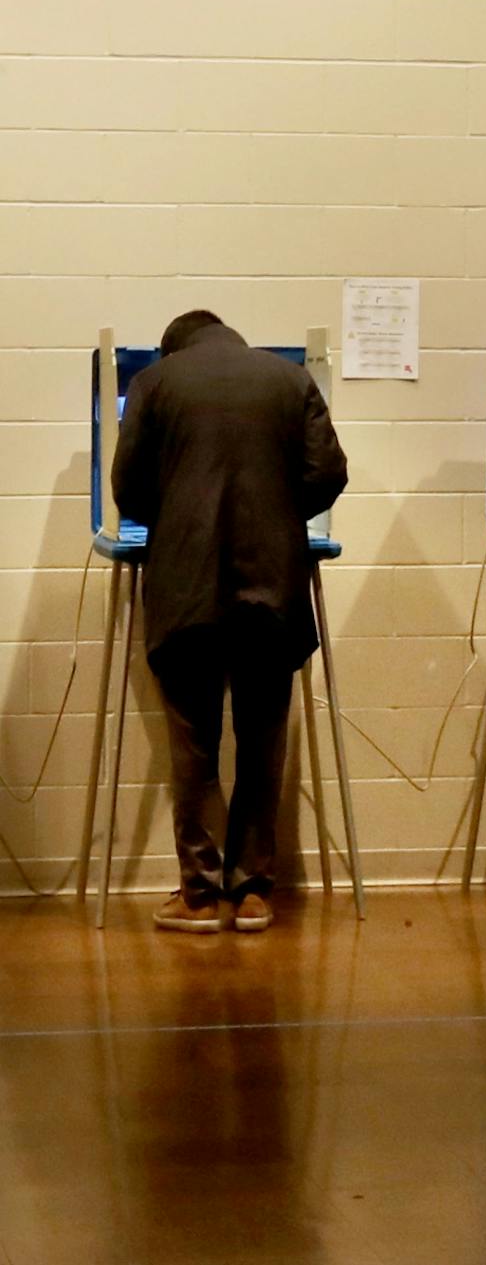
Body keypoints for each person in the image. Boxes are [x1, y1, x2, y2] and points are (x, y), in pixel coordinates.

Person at [112, 310, 349, 934]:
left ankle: (197, 894)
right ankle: (252, 893)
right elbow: (329, 473)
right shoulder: (289, 378)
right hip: (271, 589)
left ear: (172, 347)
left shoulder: (154, 384)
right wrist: (275, 506)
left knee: (193, 743)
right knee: (262, 738)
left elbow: (127, 488)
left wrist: (175, 514)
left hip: (186, 588)